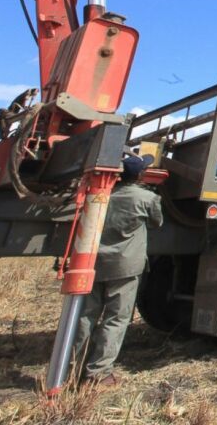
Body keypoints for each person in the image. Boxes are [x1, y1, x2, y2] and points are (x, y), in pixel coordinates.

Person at [72, 154, 163, 386]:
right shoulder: (147, 198)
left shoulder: (101, 195)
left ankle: (72, 366)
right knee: (116, 319)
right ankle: (99, 373)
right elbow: (157, 223)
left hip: (93, 264)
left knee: (86, 316)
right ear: (141, 175)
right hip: (125, 267)